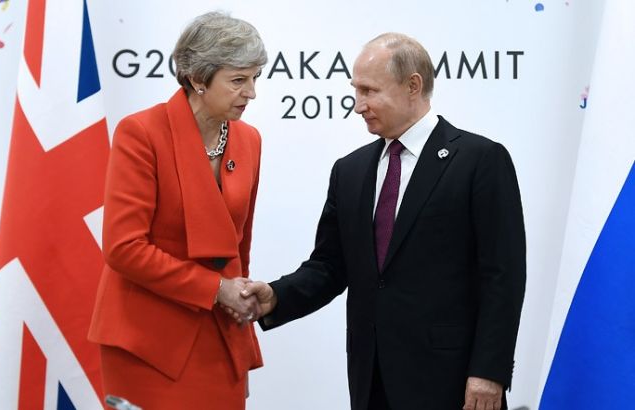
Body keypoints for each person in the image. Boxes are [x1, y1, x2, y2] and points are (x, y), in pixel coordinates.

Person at [241, 33, 526, 410]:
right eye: (355, 90)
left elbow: (503, 275)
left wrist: (490, 371)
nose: (358, 105)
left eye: (369, 91)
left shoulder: (480, 160)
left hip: (452, 381)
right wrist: (277, 295)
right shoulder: (350, 170)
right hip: (371, 379)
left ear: (413, 86)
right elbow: (330, 266)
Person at [88, 12, 267, 410]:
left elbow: (238, 247)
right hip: (146, 340)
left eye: (256, 77)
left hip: (219, 338)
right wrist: (215, 289)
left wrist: (240, 321)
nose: (252, 92)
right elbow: (123, 248)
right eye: (238, 80)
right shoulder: (141, 133)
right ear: (197, 78)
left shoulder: (250, 140)